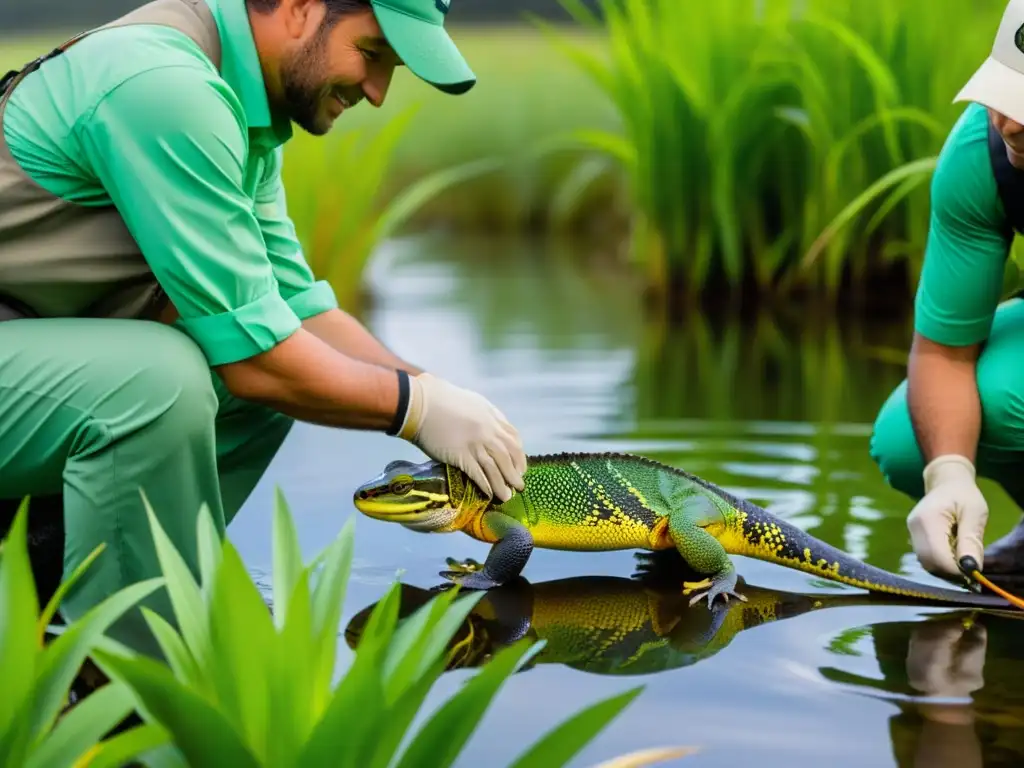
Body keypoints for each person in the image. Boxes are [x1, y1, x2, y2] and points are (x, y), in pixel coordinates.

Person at [0, 0, 526, 646]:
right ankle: (125, 677)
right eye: (372, 54)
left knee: (275, 369)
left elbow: (294, 310)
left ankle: (61, 584)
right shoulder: (165, 88)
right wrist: (414, 410)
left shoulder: (238, 107)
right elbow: (257, 361)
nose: (378, 92)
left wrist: (439, 396)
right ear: (302, 9)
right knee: (162, 383)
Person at [869, 0, 1024, 583]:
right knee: (911, 439)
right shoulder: (982, 154)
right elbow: (942, 353)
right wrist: (949, 476)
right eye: (1006, 94)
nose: (1010, 124)